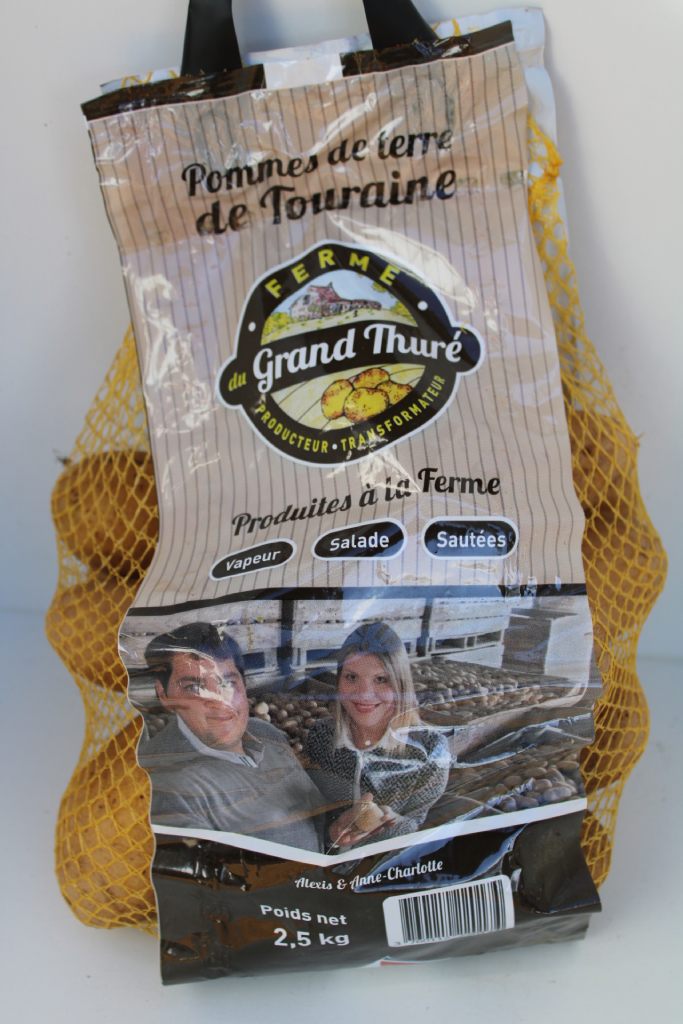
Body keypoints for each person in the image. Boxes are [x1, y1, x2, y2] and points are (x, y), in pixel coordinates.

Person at [139, 622, 324, 852]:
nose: (219, 702)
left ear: (244, 686)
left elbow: (317, 817)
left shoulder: (267, 734)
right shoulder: (160, 786)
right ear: (164, 695)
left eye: (227, 683)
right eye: (194, 688)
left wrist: (342, 828)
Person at [303, 622, 450, 849]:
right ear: (338, 680)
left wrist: (394, 824)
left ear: (401, 684)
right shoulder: (320, 736)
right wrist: (333, 832)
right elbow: (310, 817)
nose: (364, 694)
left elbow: (423, 831)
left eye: (381, 679)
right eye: (351, 677)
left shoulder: (430, 751)